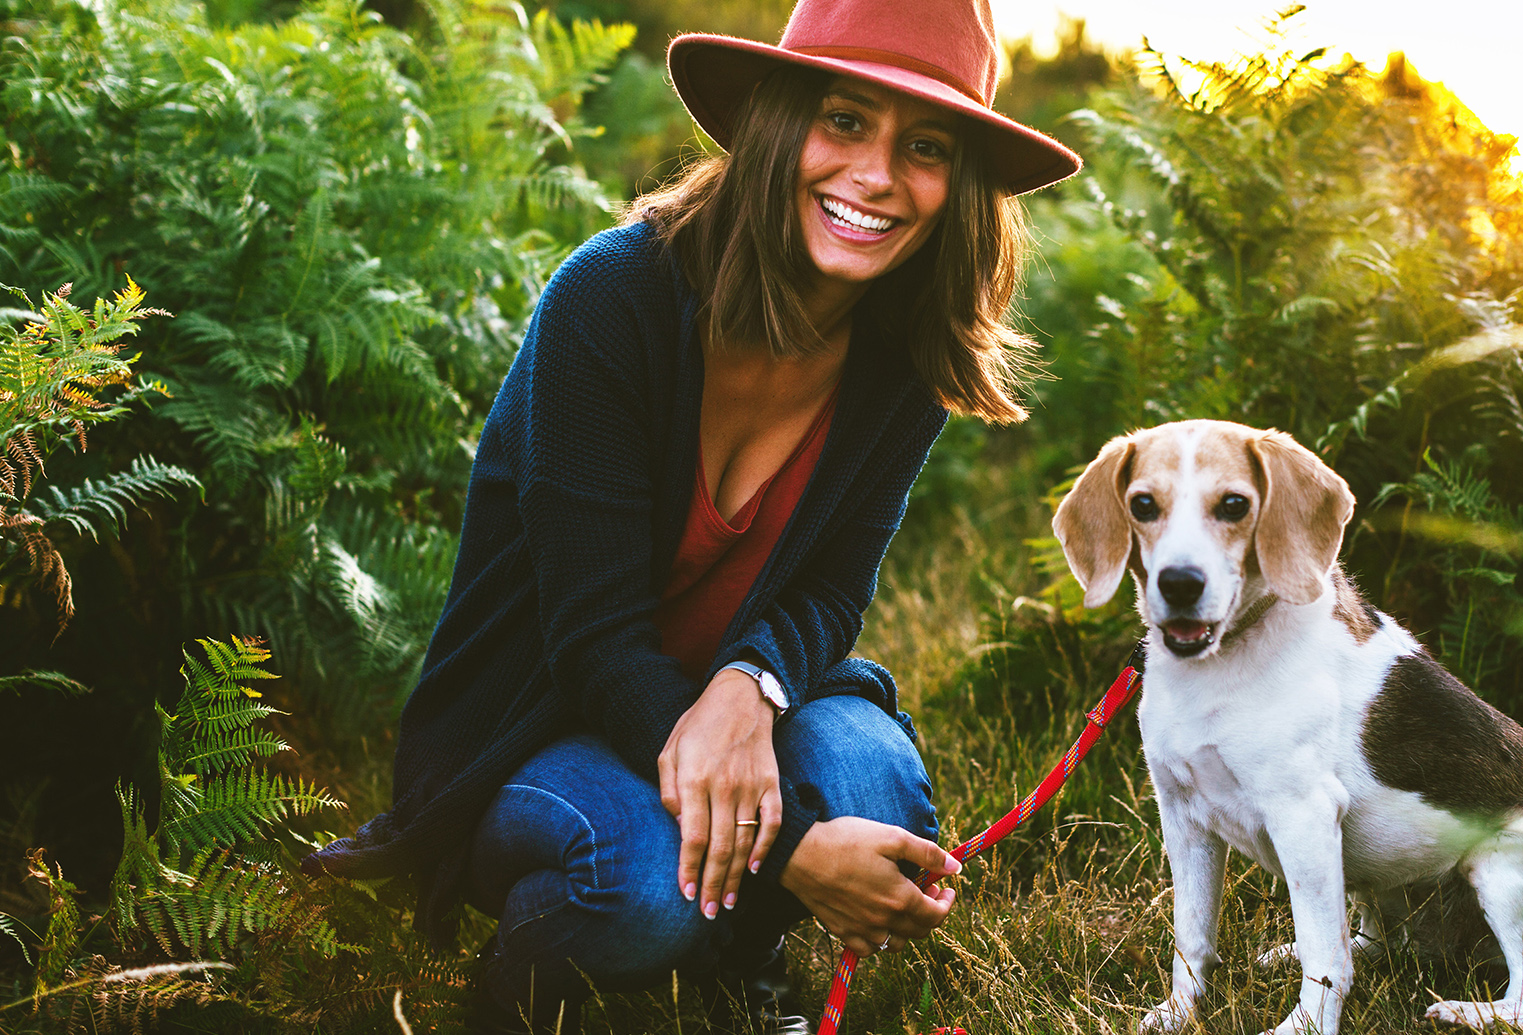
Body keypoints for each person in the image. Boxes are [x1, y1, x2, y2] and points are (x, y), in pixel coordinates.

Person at [300, 0, 1081, 1031]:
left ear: (961, 187)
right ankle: (526, 983)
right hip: (551, 715)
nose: (879, 176)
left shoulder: (905, 358)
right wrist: (797, 851)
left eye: (925, 146)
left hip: (729, 689)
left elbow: (832, 586)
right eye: (844, 122)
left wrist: (749, 689)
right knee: (641, 885)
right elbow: (591, 640)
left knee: (877, 794)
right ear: (776, 122)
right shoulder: (611, 299)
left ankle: (735, 952)